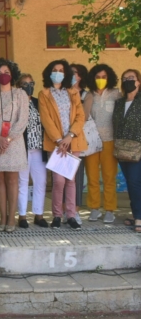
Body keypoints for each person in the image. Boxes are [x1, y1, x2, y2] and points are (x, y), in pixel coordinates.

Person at [38, 59, 86, 230]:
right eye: (54, 69)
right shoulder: (44, 94)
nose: (57, 72)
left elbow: (81, 117)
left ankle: (71, 216)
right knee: (58, 181)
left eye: (61, 70)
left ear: (66, 74)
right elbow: (46, 119)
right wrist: (59, 140)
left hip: (73, 141)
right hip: (56, 143)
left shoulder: (73, 93)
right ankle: (57, 215)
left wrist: (70, 136)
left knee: (70, 180)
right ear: (49, 73)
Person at [0, 58, 29, 232]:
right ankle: (2, 218)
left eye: (7, 73)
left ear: (12, 75)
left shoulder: (20, 94)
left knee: (12, 180)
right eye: (0, 73)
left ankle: (11, 219)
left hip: (14, 143)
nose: (3, 76)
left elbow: (23, 120)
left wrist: (7, 139)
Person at [83, 64, 121, 223]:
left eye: (104, 77)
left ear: (109, 78)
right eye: (98, 77)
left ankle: (110, 210)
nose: (101, 80)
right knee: (92, 177)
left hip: (109, 140)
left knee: (109, 177)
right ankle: (94, 209)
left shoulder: (116, 94)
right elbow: (84, 117)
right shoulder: (89, 95)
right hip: (91, 142)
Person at [17, 73, 48, 228]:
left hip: (38, 148)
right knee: (22, 182)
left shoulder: (38, 102)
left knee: (40, 181)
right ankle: (22, 216)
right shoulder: (16, 103)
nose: (28, 86)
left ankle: (39, 214)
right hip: (22, 148)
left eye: (31, 83)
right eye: (24, 83)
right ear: (18, 86)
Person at [112, 69, 141, 233]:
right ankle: (136, 213)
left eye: (132, 78)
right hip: (122, 149)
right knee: (131, 183)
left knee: (136, 183)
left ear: (138, 81)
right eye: (125, 78)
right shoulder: (119, 103)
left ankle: (139, 217)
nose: (128, 81)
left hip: (138, 149)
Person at [69, 63, 89, 224]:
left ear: (80, 76)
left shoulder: (85, 95)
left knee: (76, 178)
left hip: (77, 140)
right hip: (61, 142)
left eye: (74, 73)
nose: (71, 75)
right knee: (61, 178)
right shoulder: (61, 93)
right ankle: (63, 210)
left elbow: (83, 117)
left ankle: (75, 210)